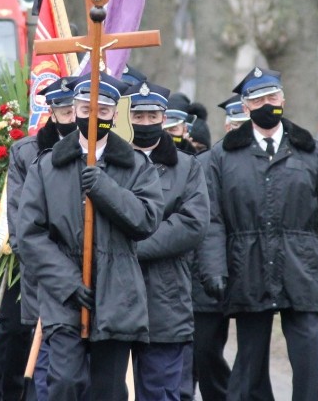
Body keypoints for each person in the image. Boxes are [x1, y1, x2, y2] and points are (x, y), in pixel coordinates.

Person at [19, 73, 163, 401]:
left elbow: (145, 221)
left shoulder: (138, 166)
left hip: (118, 293)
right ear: (76, 109)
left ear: (114, 114)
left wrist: (104, 188)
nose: (93, 116)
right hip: (64, 295)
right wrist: (68, 284)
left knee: (109, 391)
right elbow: (30, 234)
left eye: (103, 110)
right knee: (64, 384)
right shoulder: (46, 166)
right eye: (86, 109)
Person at [205, 67, 318, 401]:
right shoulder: (222, 156)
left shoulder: (310, 151)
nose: (268, 104)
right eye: (259, 99)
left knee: (308, 345)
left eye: (273, 96)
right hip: (247, 262)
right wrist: (215, 269)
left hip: (303, 262)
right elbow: (213, 220)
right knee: (251, 353)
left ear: (283, 98)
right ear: (246, 106)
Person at [125, 81, 210, 401]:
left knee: (161, 391)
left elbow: (192, 224)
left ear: (163, 117)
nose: (146, 123)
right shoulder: (108, 162)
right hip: (114, 295)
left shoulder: (187, 167)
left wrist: (133, 248)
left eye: (153, 116)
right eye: (139, 115)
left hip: (166, 295)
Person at [7, 75, 80, 401]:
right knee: (49, 367)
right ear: (50, 110)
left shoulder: (100, 149)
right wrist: (54, 268)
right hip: (45, 276)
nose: (69, 115)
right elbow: (21, 224)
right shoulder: (27, 153)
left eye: (74, 108)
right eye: (62, 108)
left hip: (93, 275)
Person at [184, 94, 250, 401]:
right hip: (207, 276)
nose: (238, 127)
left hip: (251, 267)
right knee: (205, 350)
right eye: (234, 122)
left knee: (252, 356)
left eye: (244, 122)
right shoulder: (206, 164)